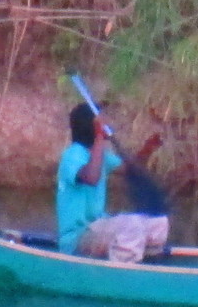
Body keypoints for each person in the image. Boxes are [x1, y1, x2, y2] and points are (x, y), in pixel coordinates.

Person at [55, 100, 169, 263]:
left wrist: (148, 148)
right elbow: (91, 178)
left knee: (159, 223)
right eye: (99, 122)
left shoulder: (100, 155)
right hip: (78, 238)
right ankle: (122, 274)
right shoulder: (72, 155)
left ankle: (142, 260)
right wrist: (100, 136)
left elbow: (130, 169)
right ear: (90, 127)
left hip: (99, 228)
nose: (106, 123)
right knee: (132, 225)